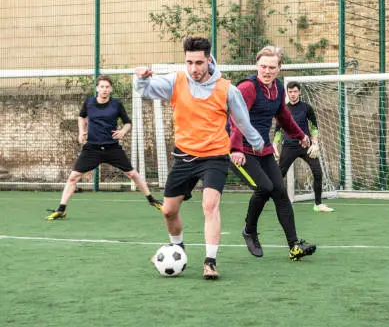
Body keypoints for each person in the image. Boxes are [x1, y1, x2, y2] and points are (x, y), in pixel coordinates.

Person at [134, 37, 264, 280]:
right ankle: (178, 248)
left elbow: (242, 121)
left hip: (214, 155)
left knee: (209, 206)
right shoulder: (176, 80)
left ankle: (210, 262)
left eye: (199, 62)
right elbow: (145, 90)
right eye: (189, 62)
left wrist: (258, 143)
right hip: (184, 155)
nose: (194, 68)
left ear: (209, 60)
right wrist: (140, 77)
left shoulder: (227, 89)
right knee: (168, 211)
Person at [230, 45, 317, 261]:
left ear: (279, 68)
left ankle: (294, 246)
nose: (266, 71)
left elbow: (284, 118)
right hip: (241, 149)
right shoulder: (248, 88)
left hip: (263, 149)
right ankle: (249, 230)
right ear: (256, 66)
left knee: (279, 191)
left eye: (271, 67)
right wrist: (235, 148)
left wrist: (301, 136)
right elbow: (234, 118)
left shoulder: (277, 88)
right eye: (263, 66)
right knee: (264, 187)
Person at [46, 75, 162, 221]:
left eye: (107, 87)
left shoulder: (116, 104)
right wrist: (82, 131)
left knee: (132, 174)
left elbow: (127, 123)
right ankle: (61, 209)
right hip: (92, 148)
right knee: (73, 177)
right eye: (102, 87)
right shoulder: (89, 103)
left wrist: (123, 131)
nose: (104, 90)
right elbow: (81, 117)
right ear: (97, 88)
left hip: (112, 148)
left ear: (111, 89)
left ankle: (152, 200)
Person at [273, 81, 333, 212]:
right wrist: (274, 145)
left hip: (306, 146)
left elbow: (313, 127)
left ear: (299, 92)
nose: (293, 94)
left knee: (318, 172)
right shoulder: (283, 109)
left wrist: (315, 143)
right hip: (288, 146)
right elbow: (278, 129)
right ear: (287, 93)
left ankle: (318, 204)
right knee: (278, 175)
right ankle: (270, 200)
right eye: (290, 92)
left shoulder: (307, 108)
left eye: (295, 91)